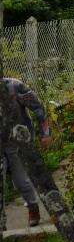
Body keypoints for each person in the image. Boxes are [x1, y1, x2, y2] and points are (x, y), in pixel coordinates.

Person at [2, 77, 51, 227]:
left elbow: (38, 107)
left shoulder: (14, 86)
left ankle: (32, 207)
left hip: (17, 140)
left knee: (20, 180)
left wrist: (46, 133)